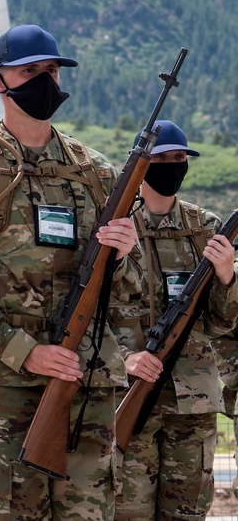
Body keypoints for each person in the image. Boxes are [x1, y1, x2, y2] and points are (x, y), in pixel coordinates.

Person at [0, 24, 141, 521]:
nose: (46, 80)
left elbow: (131, 292)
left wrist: (126, 256)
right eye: (31, 70)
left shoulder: (98, 174)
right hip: (5, 389)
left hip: (86, 388)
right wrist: (26, 352)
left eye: (52, 71)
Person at [112, 121, 238, 520]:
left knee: (187, 513)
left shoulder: (208, 229)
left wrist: (227, 276)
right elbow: (93, 311)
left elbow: (223, 323)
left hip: (193, 400)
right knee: (127, 510)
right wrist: (123, 359)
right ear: (141, 165)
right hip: (128, 392)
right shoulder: (115, 229)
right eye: (162, 158)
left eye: (179, 158)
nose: (172, 165)